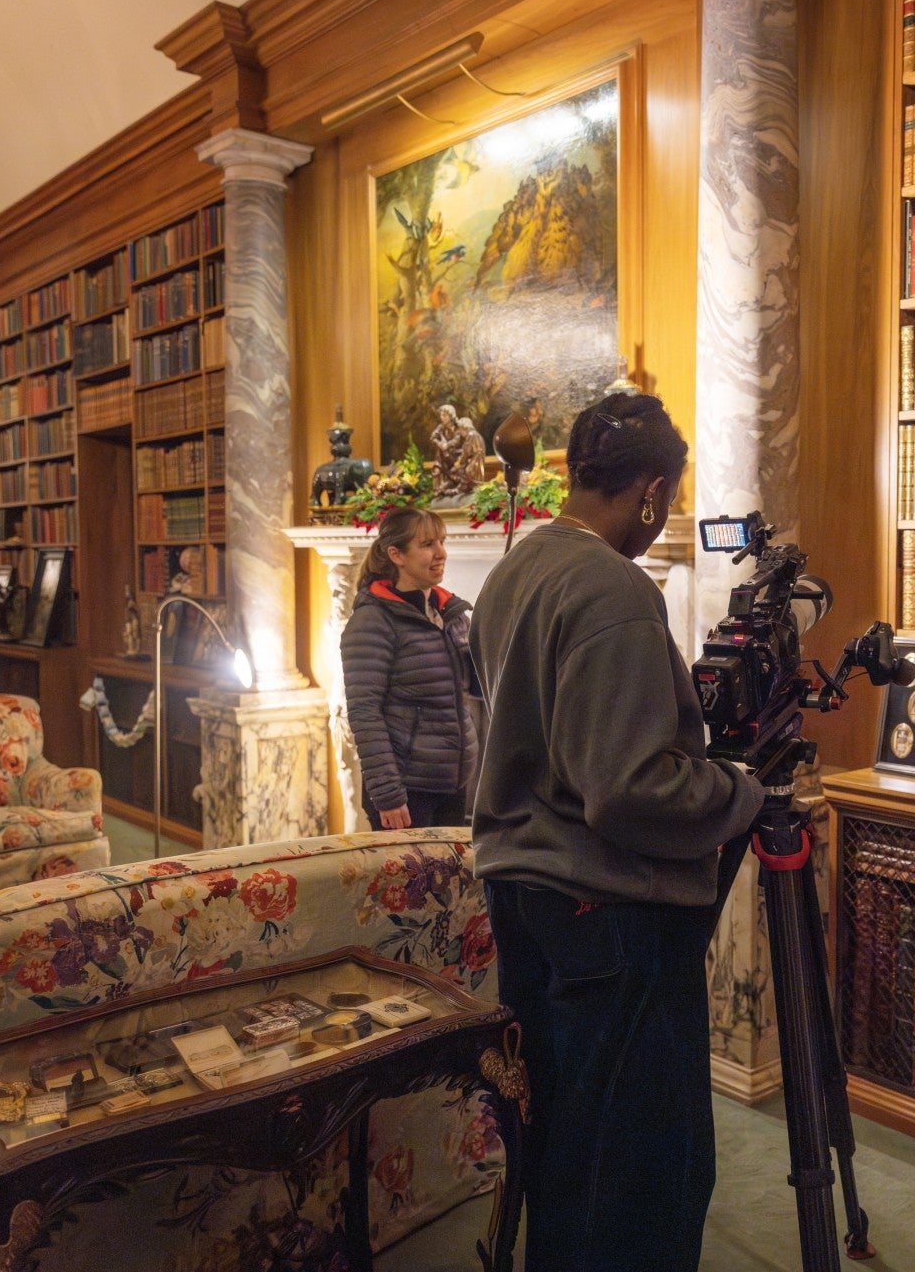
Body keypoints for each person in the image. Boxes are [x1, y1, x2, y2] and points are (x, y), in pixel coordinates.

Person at [468, 391, 766, 1272]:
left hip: (524, 900)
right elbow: (631, 789)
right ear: (650, 489)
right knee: (644, 1174)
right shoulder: (616, 590)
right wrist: (740, 792)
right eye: (664, 498)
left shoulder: (513, 571)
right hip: (613, 917)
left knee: (565, 1148)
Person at [340, 506, 476, 829]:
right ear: (396, 555)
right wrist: (388, 794)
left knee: (448, 881)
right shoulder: (372, 620)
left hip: (452, 784)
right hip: (407, 792)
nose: (441, 553)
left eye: (441, 542)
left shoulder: (450, 612)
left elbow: (475, 684)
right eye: (428, 544)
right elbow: (364, 712)